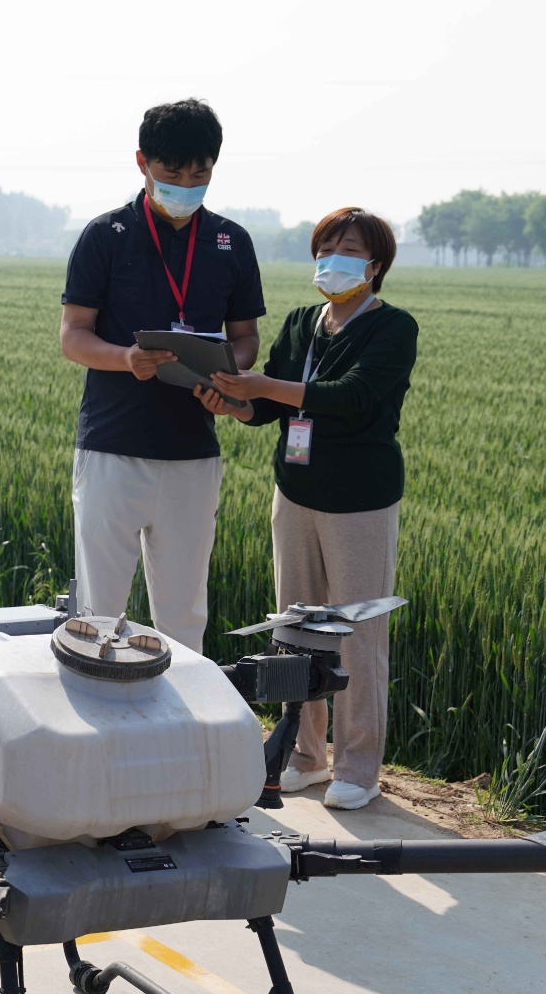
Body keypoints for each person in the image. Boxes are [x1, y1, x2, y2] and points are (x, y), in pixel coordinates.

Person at [199, 209, 416, 810]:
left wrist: (263, 386)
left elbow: (354, 398)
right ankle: (305, 754)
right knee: (295, 628)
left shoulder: (393, 328)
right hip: (294, 493)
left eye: (349, 249)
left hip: (359, 503)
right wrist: (233, 404)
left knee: (356, 633)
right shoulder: (301, 322)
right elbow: (268, 409)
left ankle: (358, 767)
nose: (334, 258)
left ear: (375, 267)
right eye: (326, 246)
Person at [59, 99, 264, 652]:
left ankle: (179, 734)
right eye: (172, 174)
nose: (186, 186)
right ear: (142, 163)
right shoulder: (106, 235)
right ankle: (98, 736)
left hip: (194, 451)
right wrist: (126, 358)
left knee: (183, 613)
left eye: (200, 174)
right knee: (98, 616)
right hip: (112, 446)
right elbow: (73, 335)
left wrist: (227, 370)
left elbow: (246, 337)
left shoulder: (231, 241)